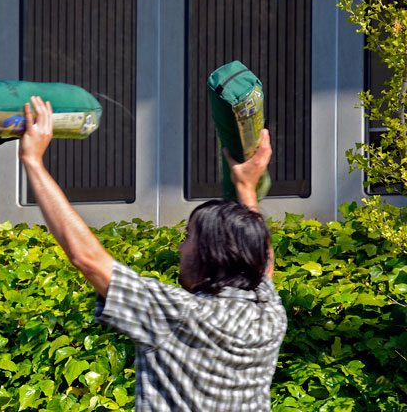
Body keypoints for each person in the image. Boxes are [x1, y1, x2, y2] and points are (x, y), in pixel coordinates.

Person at [20, 96, 287, 411]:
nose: (180, 247)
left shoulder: (178, 317)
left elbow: (88, 258)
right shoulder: (268, 312)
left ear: (211, 254)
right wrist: (246, 188)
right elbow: (263, 266)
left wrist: (33, 162)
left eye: (189, 239)